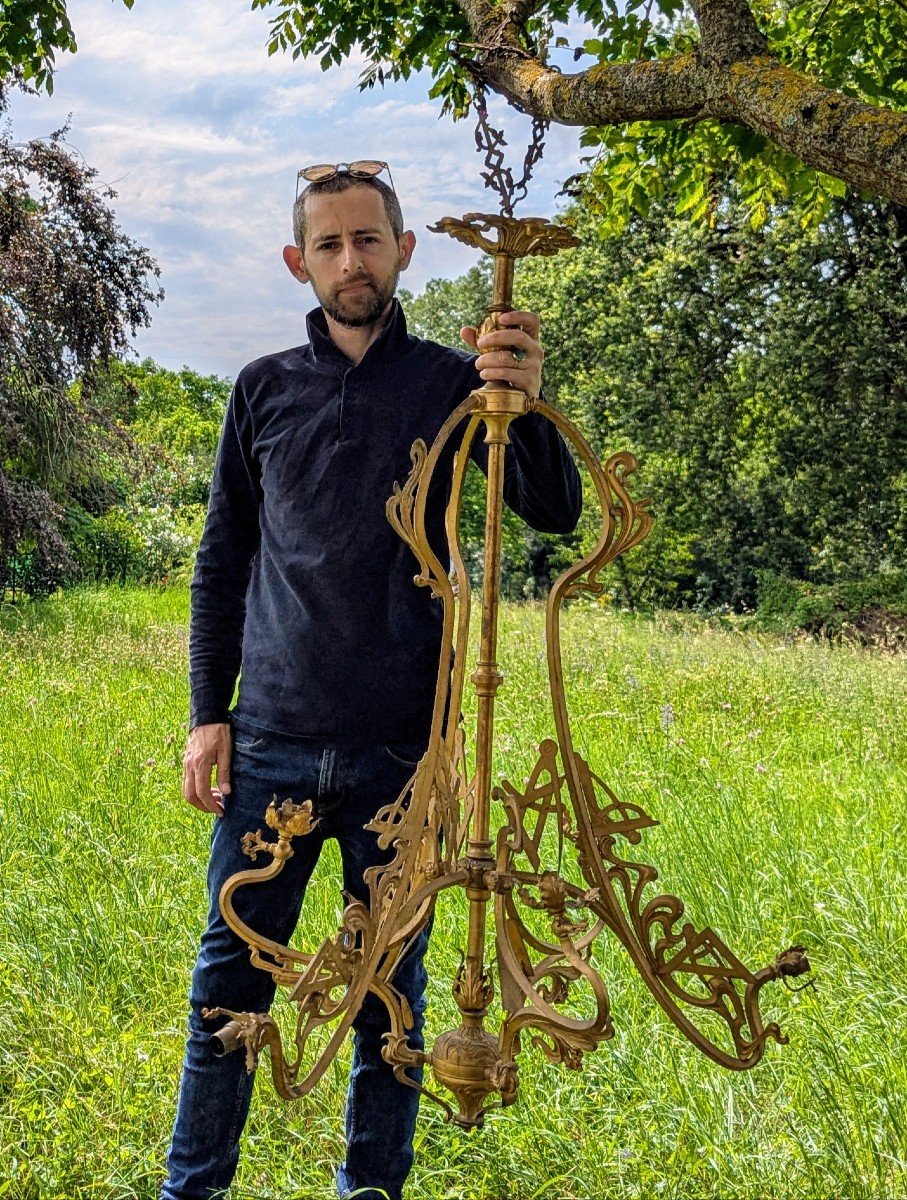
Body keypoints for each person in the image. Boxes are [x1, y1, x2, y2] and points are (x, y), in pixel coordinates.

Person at [163, 161, 581, 1200]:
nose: (353, 261)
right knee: (229, 981)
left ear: (403, 251)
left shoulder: (449, 382)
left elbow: (553, 510)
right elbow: (224, 561)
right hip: (272, 741)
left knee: (387, 996)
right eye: (332, 244)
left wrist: (521, 399)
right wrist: (205, 716)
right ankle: (192, 1189)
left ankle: (371, 1191)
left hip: (410, 749)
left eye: (370, 240)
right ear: (299, 261)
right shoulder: (262, 388)